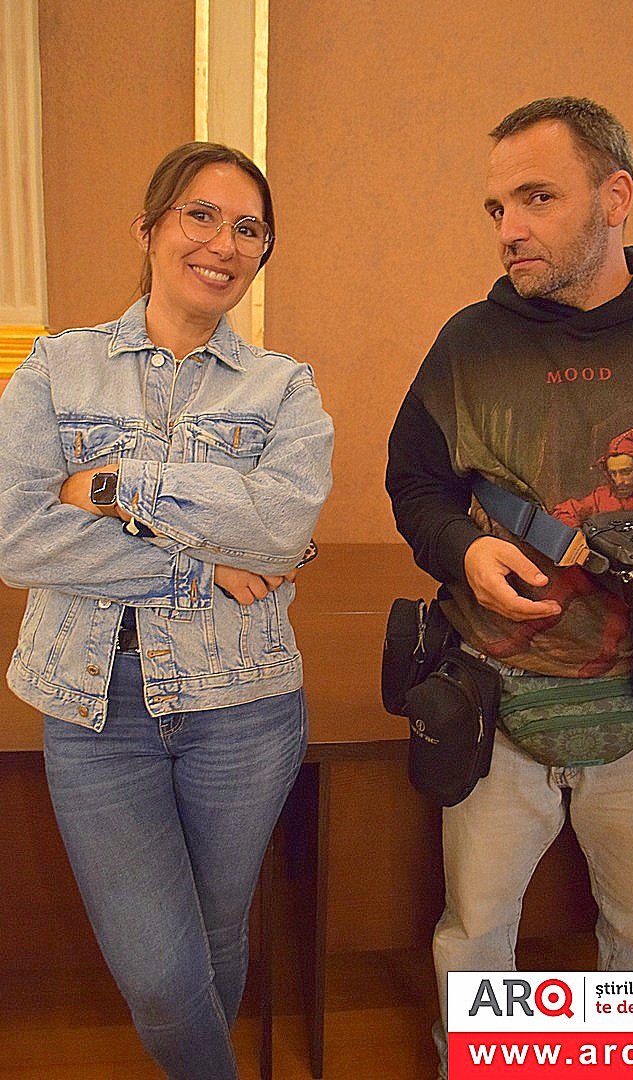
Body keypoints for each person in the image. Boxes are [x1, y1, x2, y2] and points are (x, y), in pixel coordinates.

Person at [385, 97, 633, 1079]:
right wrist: (462, 552)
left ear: (614, 196)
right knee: (474, 936)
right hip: (492, 709)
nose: (509, 229)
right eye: (496, 207)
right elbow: (416, 484)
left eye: (537, 198)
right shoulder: (468, 342)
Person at [0, 142, 333, 1080]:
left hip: (244, 704)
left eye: (248, 228)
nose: (223, 243)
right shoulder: (56, 367)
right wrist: (202, 563)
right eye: (201, 215)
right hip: (92, 709)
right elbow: (14, 536)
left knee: (213, 934)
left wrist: (110, 484)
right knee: (157, 970)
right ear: (147, 229)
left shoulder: (284, 387)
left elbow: (279, 530)